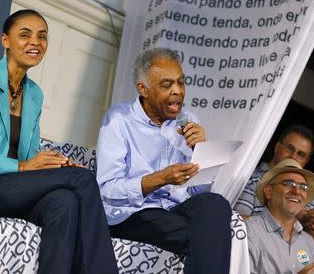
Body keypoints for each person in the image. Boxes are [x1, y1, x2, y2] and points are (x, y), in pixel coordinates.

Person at [0, 9, 117, 274]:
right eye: (25, 35)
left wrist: (54, 164)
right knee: (82, 179)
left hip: (11, 189)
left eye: (42, 37)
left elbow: (29, 156)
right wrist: (20, 167)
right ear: (5, 41)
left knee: (64, 202)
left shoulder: (34, 95)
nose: (35, 42)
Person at [96, 47, 232, 274]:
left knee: (216, 204)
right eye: (167, 85)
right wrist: (160, 179)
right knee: (206, 237)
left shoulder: (188, 120)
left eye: (181, 82)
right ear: (144, 88)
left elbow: (198, 192)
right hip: (133, 213)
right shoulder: (119, 120)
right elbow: (107, 190)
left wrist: (202, 151)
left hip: (173, 209)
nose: (178, 91)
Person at [234, 125, 314, 255]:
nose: (293, 156)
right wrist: (293, 219)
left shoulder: (305, 193)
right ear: (277, 147)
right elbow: (237, 223)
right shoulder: (251, 178)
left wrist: (307, 225)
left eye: (301, 154)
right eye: (290, 148)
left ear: (306, 160)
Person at [245, 158, 314, 274]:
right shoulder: (248, 232)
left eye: (303, 187)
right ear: (268, 191)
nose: (297, 191)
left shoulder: (308, 241)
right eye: (289, 183)